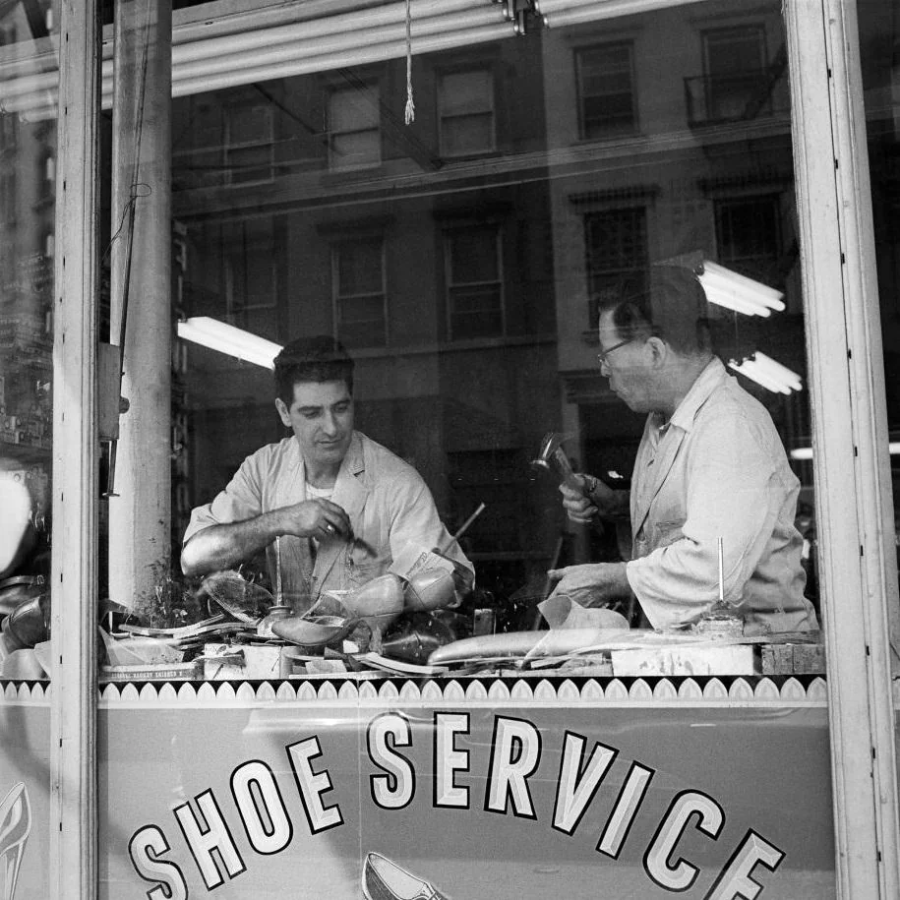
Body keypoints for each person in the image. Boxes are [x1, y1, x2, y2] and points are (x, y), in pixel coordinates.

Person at [547, 264, 818, 636]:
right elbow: (690, 515)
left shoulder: (729, 425)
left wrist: (610, 579)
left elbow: (713, 569)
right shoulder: (662, 421)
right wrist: (614, 504)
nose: (604, 370)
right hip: (704, 652)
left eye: (606, 355)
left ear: (656, 351)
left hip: (757, 657)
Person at [181, 336, 474, 615]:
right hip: (286, 659)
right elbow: (193, 558)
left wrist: (371, 603)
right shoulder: (263, 469)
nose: (332, 428)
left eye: (341, 408)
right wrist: (282, 520)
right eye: (312, 413)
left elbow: (452, 580)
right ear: (284, 412)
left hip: (368, 658)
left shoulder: (397, 482)